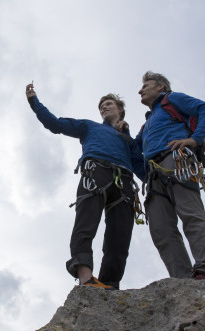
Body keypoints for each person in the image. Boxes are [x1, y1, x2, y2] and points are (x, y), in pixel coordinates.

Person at [25, 82, 144, 290]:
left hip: (125, 180)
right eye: (101, 106)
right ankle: (86, 277)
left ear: (120, 109)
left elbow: (141, 167)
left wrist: (161, 184)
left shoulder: (128, 140)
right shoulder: (90, 126)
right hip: (96, 170)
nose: (103, 108)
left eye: (108, 104)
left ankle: (110, 284)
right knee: (86, 223)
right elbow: (56, 124)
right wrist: (34, 102)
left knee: (120, 235)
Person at [135, 71, 205, 279]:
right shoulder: (146, 124)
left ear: (161, 87)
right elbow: (132, 151)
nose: (141, 89)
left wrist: (195, 139)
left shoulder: (171, 99)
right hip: (154, 174)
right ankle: (182, 279)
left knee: (190, 214)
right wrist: (144, 174)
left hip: (176, 160)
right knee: (161, 230)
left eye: (147, 85)